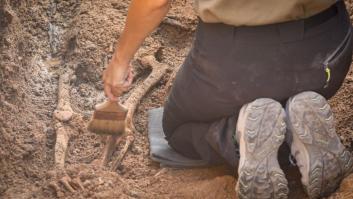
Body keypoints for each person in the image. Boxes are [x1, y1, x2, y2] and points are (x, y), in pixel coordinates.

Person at [102, 0, 353, 198]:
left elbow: (154, 3)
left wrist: (120, 60)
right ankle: (297, 122)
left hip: (235, 65)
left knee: (176, 128)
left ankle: (238, 132)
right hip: (325, 56)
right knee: (302, 70)